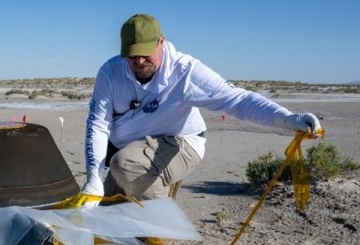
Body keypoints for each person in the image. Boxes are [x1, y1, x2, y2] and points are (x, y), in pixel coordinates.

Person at [81, 13, 322, 202]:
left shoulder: (186, 72)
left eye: (145, 54)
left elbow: (238, 100)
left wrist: (287, 118)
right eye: (132, 55)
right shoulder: (110, 72)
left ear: (161, 42)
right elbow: (99, 124)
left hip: (180, 141)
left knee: (125, 167)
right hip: (132, 147)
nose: (139, 61)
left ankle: (162, 227)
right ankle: (152, 191)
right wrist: (94, 176)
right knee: (108, 206)